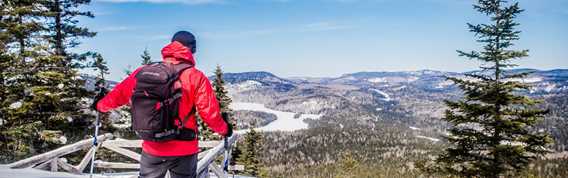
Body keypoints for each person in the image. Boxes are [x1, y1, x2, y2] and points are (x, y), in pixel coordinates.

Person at [93, 31, 233, 178]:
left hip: (153, 147)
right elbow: (209, 114)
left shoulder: (142, 72)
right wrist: (225, 130)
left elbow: (118, 96)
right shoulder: (195, 76)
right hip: (184, 148)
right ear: (192, 50)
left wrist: (99, 105)